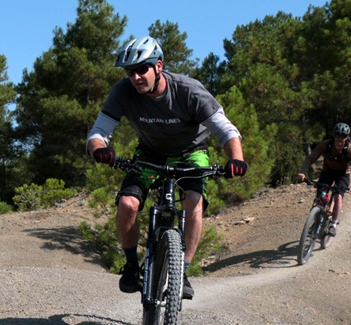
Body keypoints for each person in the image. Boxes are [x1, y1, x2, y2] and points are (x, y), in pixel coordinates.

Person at [86, 36, 247, 300]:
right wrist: (99, 150)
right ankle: (131, 265)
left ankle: (182, 271)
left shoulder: (189, 91)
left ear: (158, 66)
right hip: (151, 153)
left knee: (193, 201)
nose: (136, 77)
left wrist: (236, 159)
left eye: (142, 69)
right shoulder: (123, 92)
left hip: (191, 153)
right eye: (130, 72)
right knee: (127, 204)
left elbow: (226, 130)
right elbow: (98, 132)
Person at [296, 122, 351, 234]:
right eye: (337, 135)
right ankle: (316, 222)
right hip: (327, 172)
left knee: (338, 197)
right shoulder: (326, 145)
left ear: (347, 137)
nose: (339, 139)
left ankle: (333, 224)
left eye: (342, 136)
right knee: (320, 197)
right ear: (333, 136)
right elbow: (310, 159)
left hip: (343, 174)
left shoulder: (350, 150)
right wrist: (302, 172)